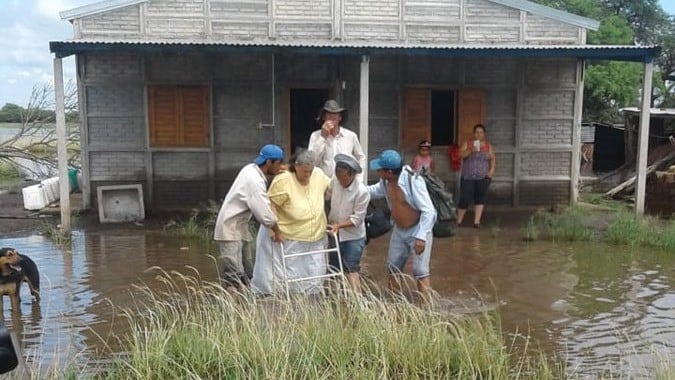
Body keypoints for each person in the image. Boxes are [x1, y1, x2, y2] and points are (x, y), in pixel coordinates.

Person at [251, 149, 332, 295]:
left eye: (310, 171)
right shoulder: (284, 180)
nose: (308, 175)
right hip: (289, 236)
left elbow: (332, 188)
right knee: (284, 279)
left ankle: (311, 300)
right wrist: (273, 230)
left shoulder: (318, 174)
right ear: (296, 166)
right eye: (304, 171)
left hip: (315, 235)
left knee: (313, 274)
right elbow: (271, 204)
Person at [213, 144, 285, 293]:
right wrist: (277, 232)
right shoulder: (255, 182)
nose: (280, 167)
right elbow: (265, 216)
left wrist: (280, 170)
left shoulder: (250, 168)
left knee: (247, 272)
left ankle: (246, 308)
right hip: (230, 229)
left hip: (240, 228)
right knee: (233, 276)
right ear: (269, 163)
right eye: (279, 164)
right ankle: (233, 312)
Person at [368, 149, 436, 300]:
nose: (378, 172)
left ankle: (426, 309)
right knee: (393, 267)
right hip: (399, 231)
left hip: (417, 230)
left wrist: (421, 237)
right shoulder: (386, 182)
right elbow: (374, 191)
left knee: (420, 271)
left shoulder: (414, 181)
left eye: (380, 169)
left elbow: (429, 211)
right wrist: (355, 190)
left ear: (389, 171)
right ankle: (395, 304)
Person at [326, 154, 370, 293]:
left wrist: (338, 226)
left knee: (351, 268)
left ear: (352, 175)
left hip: (353, 237)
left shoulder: (362, 192)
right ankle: (336, 299)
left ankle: (357, 302)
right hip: (334, 233)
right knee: (333, 268)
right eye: (338, 176)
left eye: (343, 177)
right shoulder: (335, 181)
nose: (340, 180)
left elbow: (357, 219)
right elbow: (327, 197)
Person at [308, 99, 367, 178]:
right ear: (324, 117)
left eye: (335, 114)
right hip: (324, 184)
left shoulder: (351, 136)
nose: (332, 117)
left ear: (340, 118)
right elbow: (312, 161)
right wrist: (323, 137)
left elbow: (361, 158)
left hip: (344, 184)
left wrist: (358, 178)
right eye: (329, 114)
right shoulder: (315, 136)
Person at [456, 124, 496, 228]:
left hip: (483, 177)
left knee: (480, 198)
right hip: (468, 176)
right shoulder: (468, 143)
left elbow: (492, 159)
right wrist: (470, 150)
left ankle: (476, 222)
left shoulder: (488, 146)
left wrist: (491, 171)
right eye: (477, 132)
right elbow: (460, 154)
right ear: (474, 133)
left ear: (484, 134)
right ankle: (459, 221)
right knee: (465, 198)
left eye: (481, 132)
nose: (478, 134)